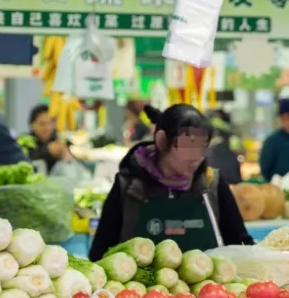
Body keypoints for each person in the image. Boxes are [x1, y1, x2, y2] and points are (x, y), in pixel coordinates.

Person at [89, 104, 254, 261]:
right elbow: (99, 254)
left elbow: (241, 246)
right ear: (162, 141)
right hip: (141, 290)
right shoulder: (129, 186)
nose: (196, 157)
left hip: (207, 290)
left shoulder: (212, 184)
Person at [23, 104, 68, 174]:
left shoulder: (57, 141)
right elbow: (26, 159)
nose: (47, 128)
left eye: (51, 123)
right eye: (42, 124)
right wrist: (47, 151)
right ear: (32, 125)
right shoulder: (24, 141)